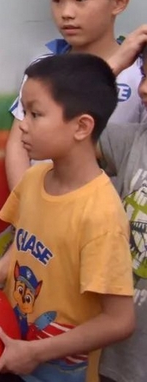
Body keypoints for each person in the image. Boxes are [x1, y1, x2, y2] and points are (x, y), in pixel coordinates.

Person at [0, 53, 135, 382]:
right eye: (24, 112)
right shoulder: (33, 179)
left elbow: (119, 320)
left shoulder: (101, 216)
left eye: (35, 114)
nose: (23, 124)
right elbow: (26, 243)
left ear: (81, 126)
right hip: (11, 352)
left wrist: (36, 353)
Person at [5, 0, 144, 190]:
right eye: (57, 0)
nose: (66, 13)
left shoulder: (139, 76)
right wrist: (24, 203)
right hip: (38, 203)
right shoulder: (44, 66)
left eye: (80, 0)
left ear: (118, 2)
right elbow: (17, 144)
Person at [93, 24, 147, 382]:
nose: (143, 89)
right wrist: (115, 63)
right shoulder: (132, 143)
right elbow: (67, 123)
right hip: (124, 364)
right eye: (143, 74)